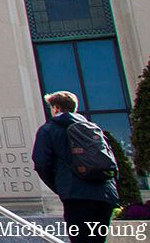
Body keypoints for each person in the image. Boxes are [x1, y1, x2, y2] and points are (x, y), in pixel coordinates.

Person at [32, 91, 118, 243]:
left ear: (56, 108)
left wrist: (61, 186)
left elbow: (41, 163)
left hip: (76, 195)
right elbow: (111, 160)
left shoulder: (48, 129)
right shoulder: (93, 128)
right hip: (105, 194)